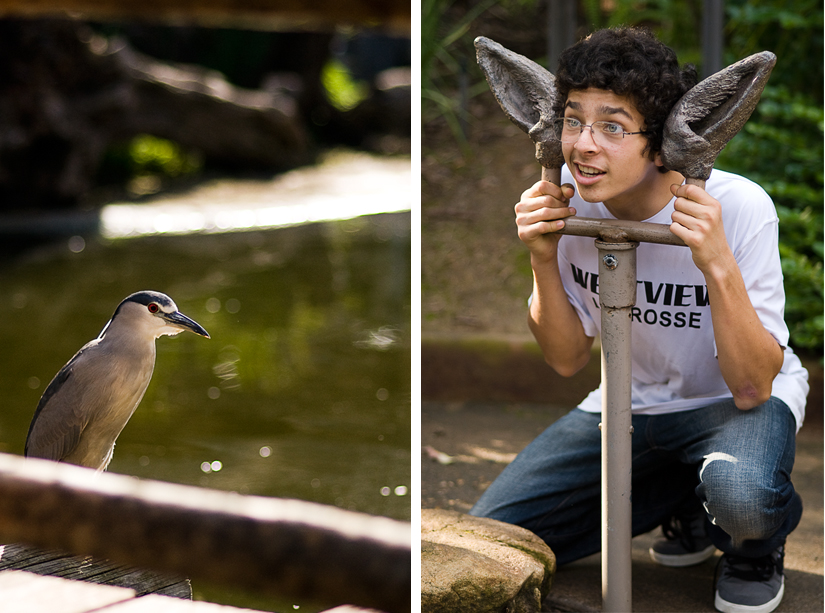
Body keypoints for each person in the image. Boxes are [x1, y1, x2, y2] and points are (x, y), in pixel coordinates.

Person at [469, 27, 809, 613]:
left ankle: (749, 544)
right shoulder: (569, 202)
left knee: (744, 499)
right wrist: (541, 256)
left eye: (613, 127)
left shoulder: (741, 205)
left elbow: (753, 385)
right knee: (493, 538)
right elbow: (566, 358)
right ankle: (683, 493)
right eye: (573, 120)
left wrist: (716, 261)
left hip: (731, 406)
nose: (583, 146)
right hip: (626, 403)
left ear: (663, 142)